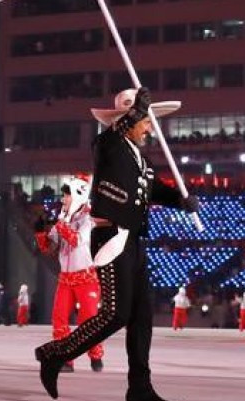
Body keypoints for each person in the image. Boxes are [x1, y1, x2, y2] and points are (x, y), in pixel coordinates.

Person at [35, 87, 197, 401]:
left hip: (135, 239)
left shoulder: (141, 159)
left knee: (142, 317)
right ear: (129, 118)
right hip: (111, 237)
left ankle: (140, 387)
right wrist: (136, 111)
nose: (150, 127)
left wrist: (182, 200)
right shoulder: (108, 145)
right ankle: (54, 353)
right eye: (145, 120)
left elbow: (156, 191)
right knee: (116, 314)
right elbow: (110, 138)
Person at [34, 181, 103, 371]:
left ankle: (95, 355)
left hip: (86, 277)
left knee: (88, 320)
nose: (63, 199)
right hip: (65, 278)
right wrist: (41, 233)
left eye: (66, 195)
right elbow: (48, 248)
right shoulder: (62, 218)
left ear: (78, 195)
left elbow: (76, 240)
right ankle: (65, 360)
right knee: (59, 319)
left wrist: (62, 223)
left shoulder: (88, 218)